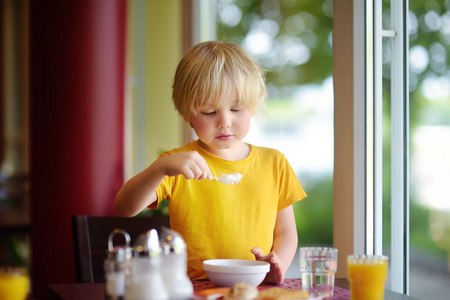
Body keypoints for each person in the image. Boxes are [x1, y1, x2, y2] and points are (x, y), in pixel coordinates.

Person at [115, 41, 307, 284]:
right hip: (191, 289)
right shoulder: (176, 165)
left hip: (254, 288)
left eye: (236, 109)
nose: (224, 121)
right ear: (188, 114)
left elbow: (286, 232)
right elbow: (124, 207)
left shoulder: (274, 162)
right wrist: (159, 169)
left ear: (254, 106)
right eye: (208, 112)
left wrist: (274, 267)